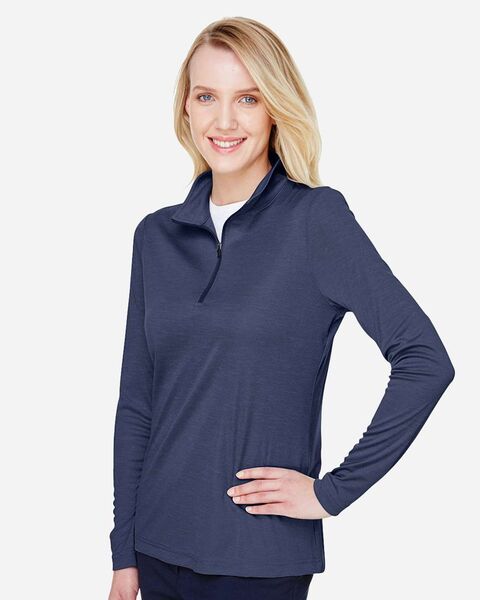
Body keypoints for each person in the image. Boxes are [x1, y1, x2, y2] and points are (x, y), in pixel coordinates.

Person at [107, 16, 455, 600]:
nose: (224, 121)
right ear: (185, 107)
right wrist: (124, 552)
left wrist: (332, 492)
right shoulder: (155, 236)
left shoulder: (316, 220)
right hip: (155, 549)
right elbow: (138, 402)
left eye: (247, 98)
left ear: (275, 108)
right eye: (206, 96)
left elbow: (425, 361)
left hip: (259, 560)